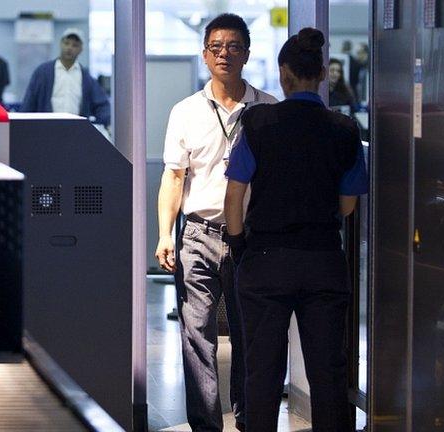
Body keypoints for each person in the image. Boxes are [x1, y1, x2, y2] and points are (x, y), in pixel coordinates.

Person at [224, 27, 368, 432]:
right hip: (323, 260)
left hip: (265, 261)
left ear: (284, 75)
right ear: (322, 75)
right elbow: (348, 203)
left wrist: (240, 247)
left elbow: (234, 196)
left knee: (262, 372)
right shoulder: (343, 129)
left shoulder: (258, 123)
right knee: (327, 373)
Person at [154, 13, 277, 432]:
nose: (224, 54)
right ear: (205, 54)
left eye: (233, 46)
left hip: (253, 239)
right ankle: (207, 426)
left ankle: (248, 418)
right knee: (196, 338)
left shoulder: (269, 110)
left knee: (251, 336)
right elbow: (173, 177)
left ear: (247, 53)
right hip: (198, 235)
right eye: (216, 47)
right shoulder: (186, 111)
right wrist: (163, 235)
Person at [20, 28, 110, 127]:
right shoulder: (43, 72)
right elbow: (29, 102)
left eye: (75, 45)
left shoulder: (86, 77)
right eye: (66, 43)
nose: (69, 48)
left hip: (77, 132)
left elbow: (102, 105)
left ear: (81, 49)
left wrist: (103, 123)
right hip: (47, 131)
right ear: (60, 44)